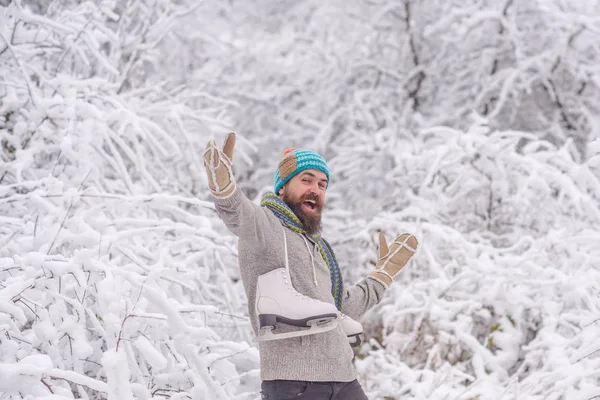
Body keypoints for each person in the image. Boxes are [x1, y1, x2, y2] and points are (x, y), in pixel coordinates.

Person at [204, 132, 418, 400]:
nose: (316, 189)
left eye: (322, 184)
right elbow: (237, 213)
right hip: (294, 384)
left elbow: (340, 308)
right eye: (306, 180)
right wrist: (223, 189)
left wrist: (382, 276)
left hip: (344, 379)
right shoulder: (265, 227)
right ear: (282, 187)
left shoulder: (319, 248)